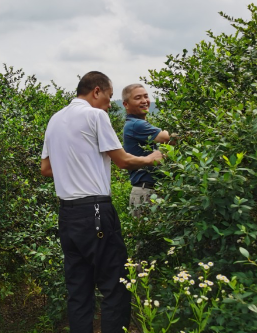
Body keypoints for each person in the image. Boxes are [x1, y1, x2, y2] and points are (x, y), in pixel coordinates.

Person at [41, 71, 163, 333]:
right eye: (108, 98)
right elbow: (122, 160)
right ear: (96, 91)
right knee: (116, 286)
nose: (109, 106)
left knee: (78, 289)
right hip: (95, 210)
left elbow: (46, 168)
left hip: (67, 215)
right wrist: (151, 158)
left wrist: (76, 165)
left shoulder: (55, 119)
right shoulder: (96, 115)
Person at [121, 83, 171, 215]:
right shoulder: (136, 124)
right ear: (126, 104)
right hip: (146, 192)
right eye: (138, 98)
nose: (144, 101)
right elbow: (166, 137)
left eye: (146, 96)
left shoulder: (136, 124)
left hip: (151, 190)